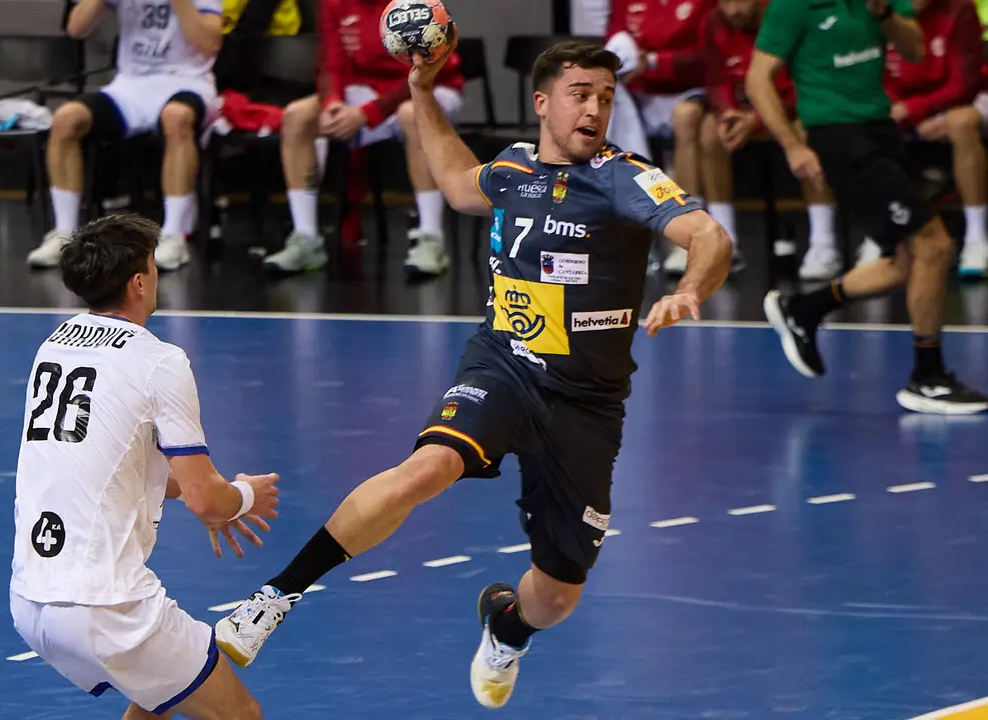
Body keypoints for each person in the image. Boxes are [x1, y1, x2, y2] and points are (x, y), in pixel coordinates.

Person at [216, 39, 733, 709]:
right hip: (503, 365)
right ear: (541, 103)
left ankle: (506, 626)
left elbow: (709, 236)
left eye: (605, 97)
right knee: (423, 471)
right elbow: (459, 184)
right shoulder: (512, 169)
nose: (594, 110)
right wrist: (422, 94)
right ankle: (273, 597)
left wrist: (691, 286)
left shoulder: (623, 176)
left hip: (586, 402)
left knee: (555, 595)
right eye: (580, 94)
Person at [9, 213, 281, 720]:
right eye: (154, 268)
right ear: (138, 282)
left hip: (30, 599)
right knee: (240, 715)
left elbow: (130, 466)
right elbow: (205, 497)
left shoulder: (54, 345)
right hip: (105, 606)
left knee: (158, 695)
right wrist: (241, 497)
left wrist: (211, 499)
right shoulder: (160, 361)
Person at [747, 0, 988, 413]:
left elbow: (914, 50)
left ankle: (804, 308)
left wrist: (886, 15)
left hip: (881, 132)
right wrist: (791, 145)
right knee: (934, 245)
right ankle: (926, 376)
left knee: (906, 262)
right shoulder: (794, 6)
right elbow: (757, 80)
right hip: (839, 138)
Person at [260, 0, 465, 277]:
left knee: (412, 114)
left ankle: (431, 238)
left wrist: (369, 114)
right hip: (365, 90)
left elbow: (428, 69)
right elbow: (329, 63)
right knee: (297, 116)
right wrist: (333, 102)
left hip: (431, 86)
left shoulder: (417, 4)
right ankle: (306, 238)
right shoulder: (334, 4)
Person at [27, 0, 224, 273]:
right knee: (66, 119)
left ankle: (175, 235)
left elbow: (210, 43)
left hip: (187, 81)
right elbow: (76, 28)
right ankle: (64, 233)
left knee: (176, 117)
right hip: (130, 86)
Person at [696, 0, 841, 280]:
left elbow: (805, 85)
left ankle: (824, 245)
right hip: (745, 112)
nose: (733, 10)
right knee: (709, 131)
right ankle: (724, 243)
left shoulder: (789, 16)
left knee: (808, 130)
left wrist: (758, 119)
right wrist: (728, 113)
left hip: (792, 109)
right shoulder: (715, 21)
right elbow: (715, 79)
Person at [603, 0, 713, 274]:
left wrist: (653, 62)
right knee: (600, 110)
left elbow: (708, 54)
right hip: (637, 92)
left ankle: (688, 235)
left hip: (685, 90)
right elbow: (613, 38)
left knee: (686, 118)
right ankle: (622, 231)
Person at [882, 0, 988, 278]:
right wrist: (905, 111)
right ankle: (881, 234)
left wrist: (917, 109)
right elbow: (875, 76)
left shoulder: (959, 9)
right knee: (865, 122)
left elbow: (964, 83)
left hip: (962, 99)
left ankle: (977, 238)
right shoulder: (880, 10)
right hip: (904, 106)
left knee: (963, 123)